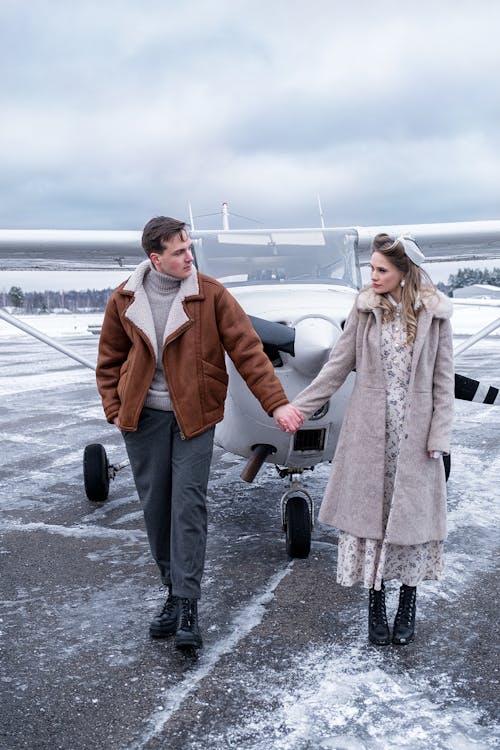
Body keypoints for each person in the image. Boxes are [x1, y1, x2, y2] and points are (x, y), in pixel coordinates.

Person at [96, 216, 303, 650]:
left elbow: (249, 352)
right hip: (143, 420)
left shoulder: (211, 295)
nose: (190, 256)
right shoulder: (125, 298)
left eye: (190, 247)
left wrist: (278, 404)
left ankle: (189, 603)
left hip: (194, 418)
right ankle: (172, 590)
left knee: (188, 506)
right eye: (180, 252)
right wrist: (115, 408)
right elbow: (110, 358)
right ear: (156, 258)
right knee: (156, 509)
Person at [275, 233, 454, 646]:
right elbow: (336, 368)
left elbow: (443, 382)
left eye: (381, 270)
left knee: (411, 519)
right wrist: (299, 408)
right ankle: (375, 602)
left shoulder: (436, 316)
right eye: (370, 268)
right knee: (373, 517)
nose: (372, 276)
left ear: (404, 273)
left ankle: (407, 600)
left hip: (416, 436)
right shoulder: (364, 311)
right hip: (371, 432)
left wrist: (439, 435)